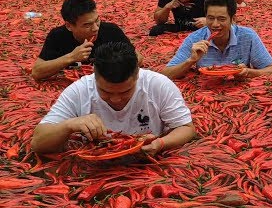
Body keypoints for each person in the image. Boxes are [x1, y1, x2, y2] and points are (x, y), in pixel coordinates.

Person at [31, 41, 196, 156]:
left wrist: (161, 143)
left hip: (147, 163)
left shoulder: (158, 85)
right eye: (106, 92)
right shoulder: (80, 90)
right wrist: (69, 125)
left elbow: (186, 128)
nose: (116, 99)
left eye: (125, 91)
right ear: (94, 75)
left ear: (137, 74)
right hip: (96, 164)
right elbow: (38, 143)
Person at [161, 0, 272, 80]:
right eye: (210, 18)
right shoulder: (195, 39)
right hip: (206, 92)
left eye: (222, 19)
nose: (215, 24)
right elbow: (166, 74)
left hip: (237, 90)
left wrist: (248, 72)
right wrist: (191, 61)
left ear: (233, 19)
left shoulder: (247, 36)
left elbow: (271, 69)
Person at [32, 0, 140, 81]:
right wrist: (71, 57)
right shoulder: (58, 36)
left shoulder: (110, 31)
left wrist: (110, 68)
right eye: (87, 25)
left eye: (97, 20)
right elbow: (37, 72)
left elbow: (138, 58)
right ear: (69, 26)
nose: (95, 28)